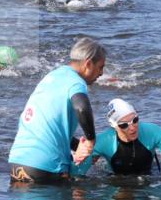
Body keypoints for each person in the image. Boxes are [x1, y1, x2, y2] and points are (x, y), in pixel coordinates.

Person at [8, 37, 106, 184]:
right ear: (88, 64)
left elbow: (50, 127)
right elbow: (81, 107)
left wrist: (78, 145)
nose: (101, 73)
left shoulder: (53, 77)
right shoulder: (76, 82)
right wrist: (91, 140)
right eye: (100, 67)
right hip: (47, 166)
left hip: (18, 162)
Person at [73, 98, 161, 177]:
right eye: (124, 125)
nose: (132, 128)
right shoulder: (103, 141)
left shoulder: (152, 131)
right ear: (113, 126)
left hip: (148, 177)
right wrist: (79, 156)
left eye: (135, 120)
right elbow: (77, 173)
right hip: (116, 180)